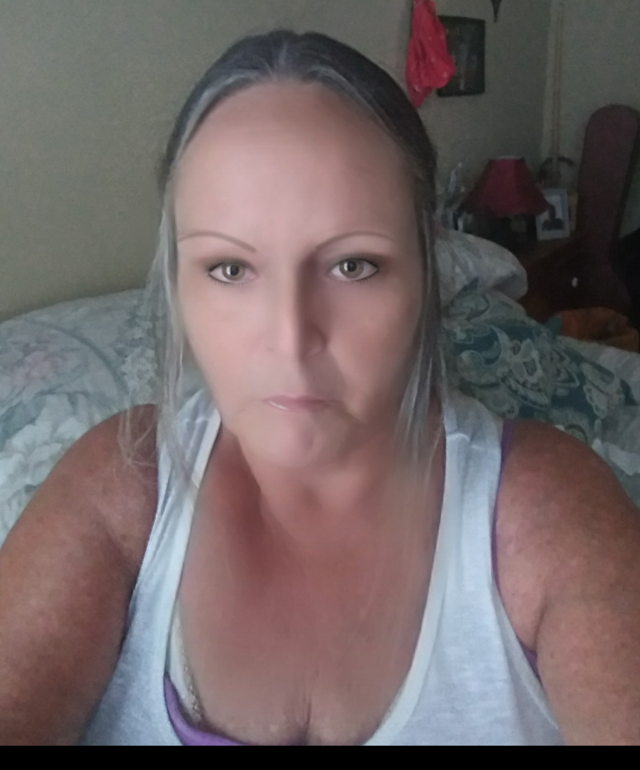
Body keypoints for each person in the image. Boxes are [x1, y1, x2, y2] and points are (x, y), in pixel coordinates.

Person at [1, 30, 639, 747]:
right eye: (230, 270)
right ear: (178, 282)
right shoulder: (120, 484)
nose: (291, 335)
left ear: (426, 269)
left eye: (353, 265)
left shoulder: (543, 512)